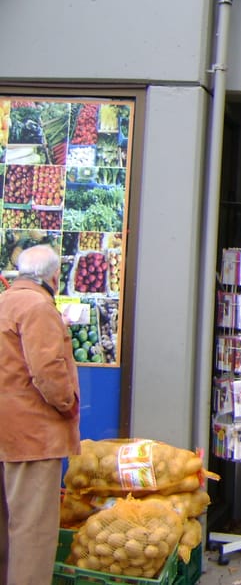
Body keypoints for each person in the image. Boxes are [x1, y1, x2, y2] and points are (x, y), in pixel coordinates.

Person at [0, 244, 80, 585]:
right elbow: (47, 371)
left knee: (7, 530)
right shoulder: (38, 307)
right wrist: (69, 403)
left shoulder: (5, 303)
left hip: (7, 434)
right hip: (33, 437)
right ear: (53, 276)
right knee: (32, 534)